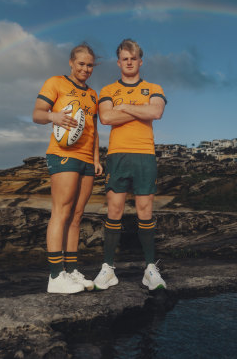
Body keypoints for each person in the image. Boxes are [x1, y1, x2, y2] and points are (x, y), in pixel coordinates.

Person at [93, 39, 167, 291]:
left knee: (145, 209)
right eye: (125, 59)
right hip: (117, 155)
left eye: (133, 58)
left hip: (144, 154)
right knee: (114, 210)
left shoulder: (154, 87)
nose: (129, 62)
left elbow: (156, 112)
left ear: (140, 61)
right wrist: (138, 109)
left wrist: (124, 107)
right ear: (119, 62)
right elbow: (105, 117)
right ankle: (108, 268)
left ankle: (149, 269)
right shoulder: (107, 89)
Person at [32, 43, 103, 294]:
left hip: (86, 158)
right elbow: (37, 113)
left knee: (77, 215)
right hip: (63, 154)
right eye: (81, 64)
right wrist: (54, 116)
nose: (85, 69)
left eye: (90, 65)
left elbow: (94, 131)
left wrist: (96, 159)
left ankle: (71, 271)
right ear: (71, 63)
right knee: (60, 212)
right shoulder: (56, 83)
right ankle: (55, 276)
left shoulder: (94, 95)